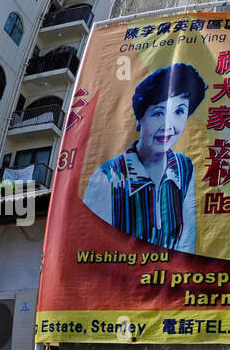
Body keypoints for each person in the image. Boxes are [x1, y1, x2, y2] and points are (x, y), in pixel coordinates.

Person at [82, 62, 207, 252]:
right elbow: (93, 245)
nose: (168, 125)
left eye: (179, 111)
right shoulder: (108, 176)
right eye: (158, 113)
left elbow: (187, 237)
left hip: (170, 279)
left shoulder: (183, 167)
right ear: (139, 119)